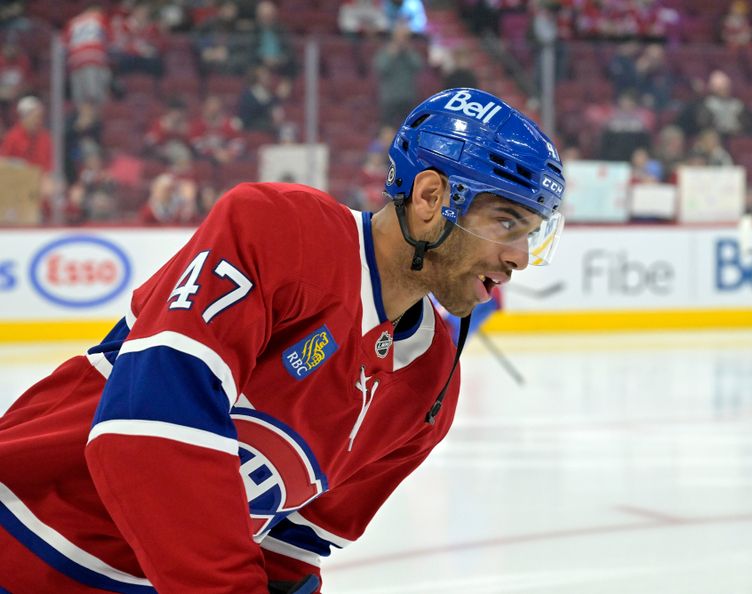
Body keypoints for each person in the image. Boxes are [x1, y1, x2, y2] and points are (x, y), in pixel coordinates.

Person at [0, 87, 566, 593]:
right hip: (19, 542)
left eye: (534, 233)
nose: (520, 257)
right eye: (507, 223)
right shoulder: (280, 232)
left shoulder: (428, 388)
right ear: (429, 197)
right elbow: (146, 433)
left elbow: (288, 557)